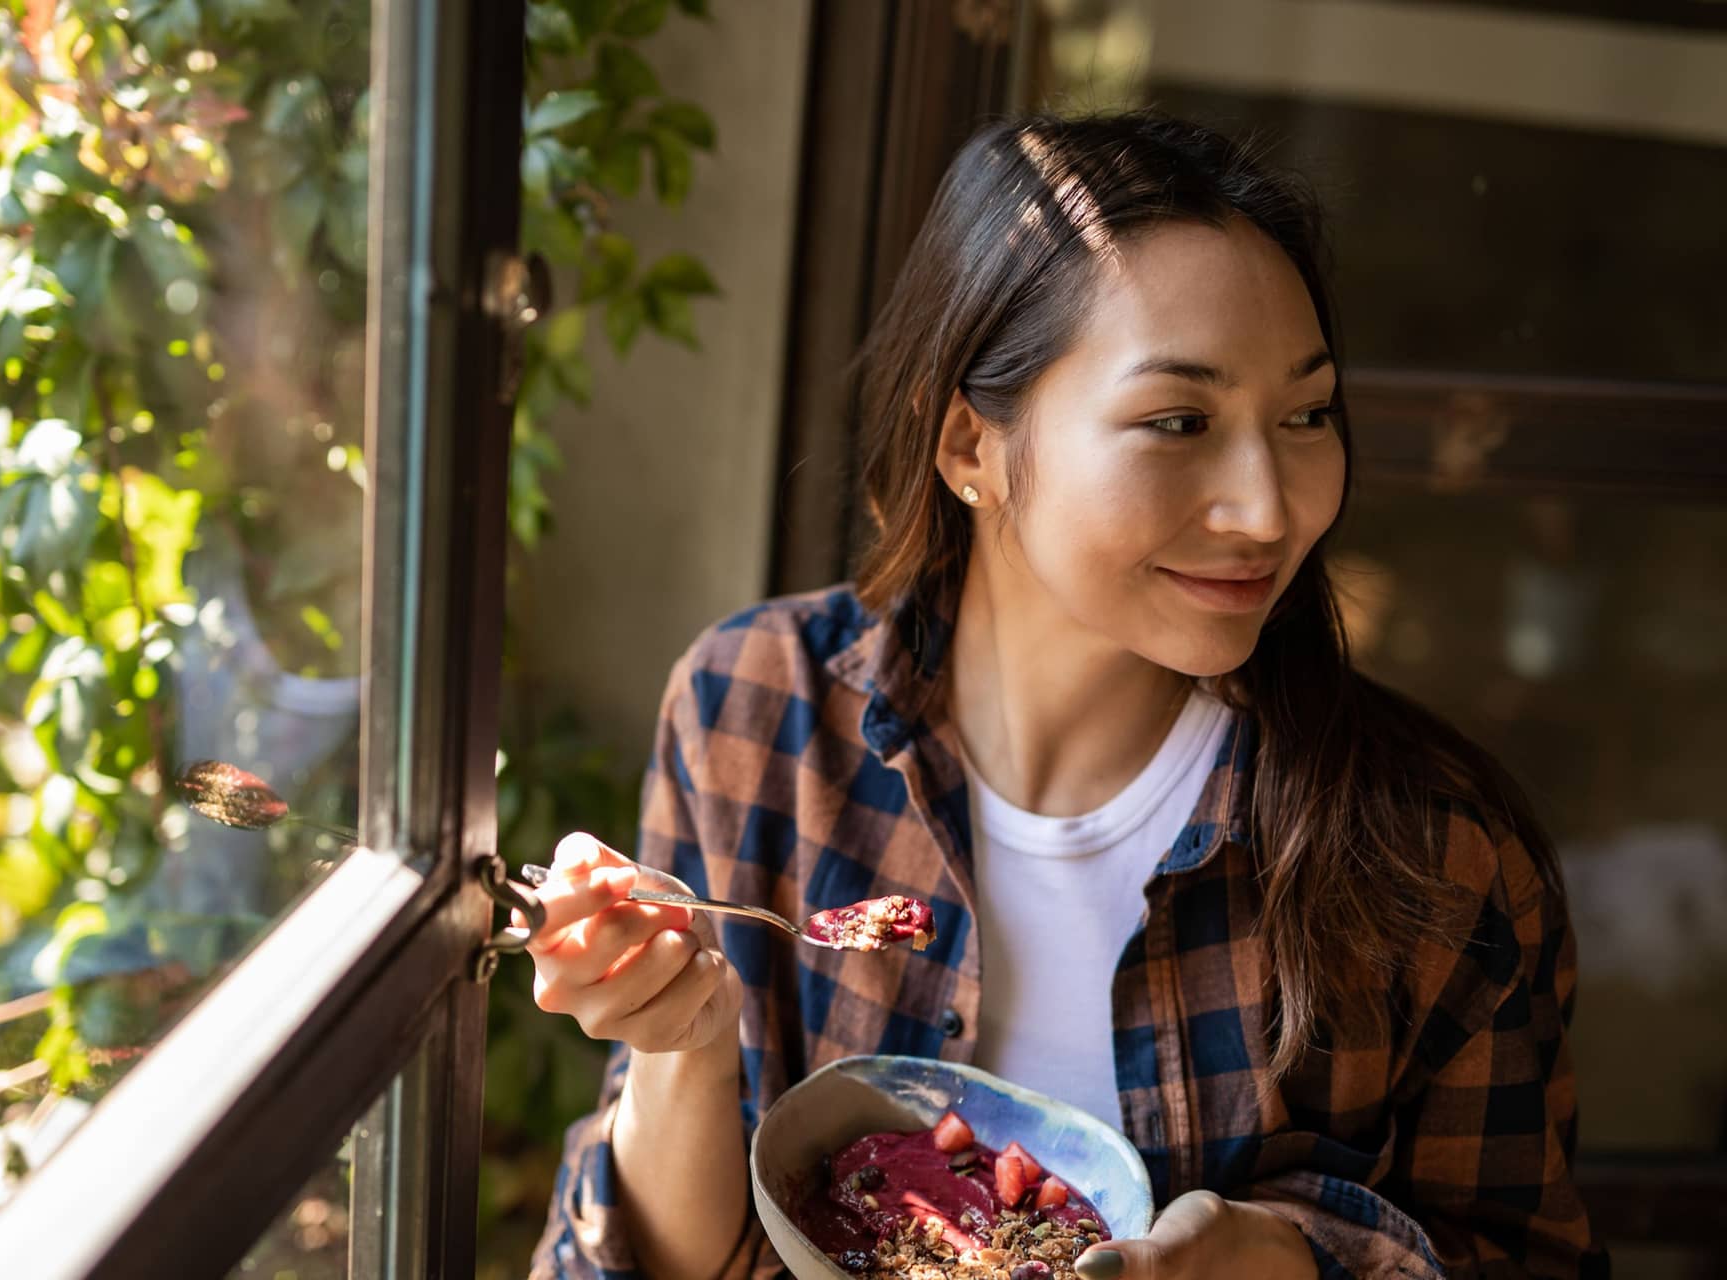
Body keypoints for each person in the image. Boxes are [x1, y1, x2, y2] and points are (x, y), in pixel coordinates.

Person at [525, 111, 1606, 1280]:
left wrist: (1288, 1261)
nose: (1266, 507)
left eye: (1303, 415)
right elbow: (680, 1264)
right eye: (1177, 422)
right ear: (967, 447)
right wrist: (679, 1046)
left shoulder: (1434, 853)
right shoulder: (753, 712)